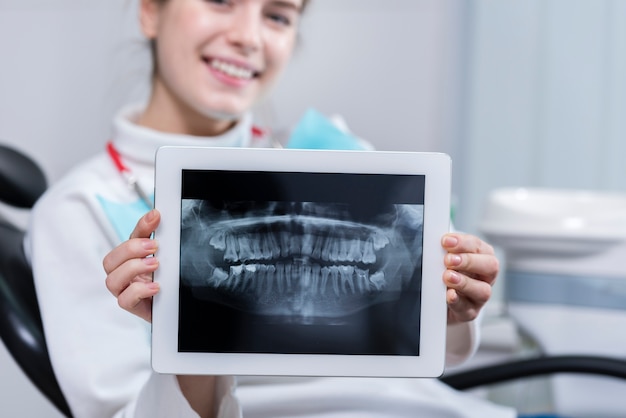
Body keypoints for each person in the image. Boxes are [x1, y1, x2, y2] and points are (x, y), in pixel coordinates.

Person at [25, 0, 516, 417]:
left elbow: (432, 354)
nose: (248, 37)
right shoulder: (79, 209)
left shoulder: (331, 151)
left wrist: (449, 306)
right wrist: (188, 345)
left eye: (278, 15)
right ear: (151, 11)